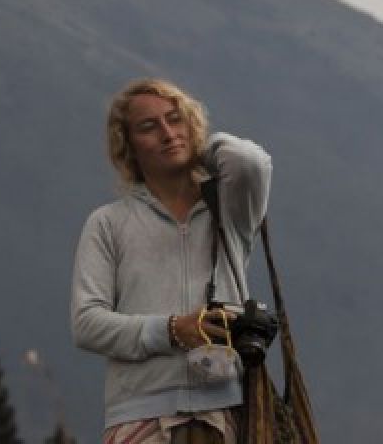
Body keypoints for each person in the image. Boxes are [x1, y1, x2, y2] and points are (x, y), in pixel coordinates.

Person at [71, 78, 272, 444]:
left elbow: (250, 161)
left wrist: (199, 147)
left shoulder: (229, 210)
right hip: (139, 419)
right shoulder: (108, 224)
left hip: (226, 415)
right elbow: (86, 323)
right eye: (149, 127)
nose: (167, 133)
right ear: (127, 146)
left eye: (175, 119)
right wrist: (172, 329)